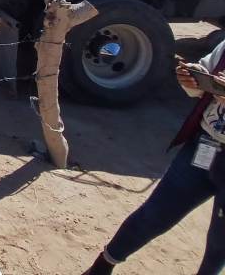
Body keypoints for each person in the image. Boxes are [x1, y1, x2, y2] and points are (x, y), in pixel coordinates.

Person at [82, 39, 225, 275]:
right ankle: (102, 266)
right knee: (156, 213)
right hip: (204, 144)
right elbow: (204, 79)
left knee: (219, 243)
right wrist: (193, 79)